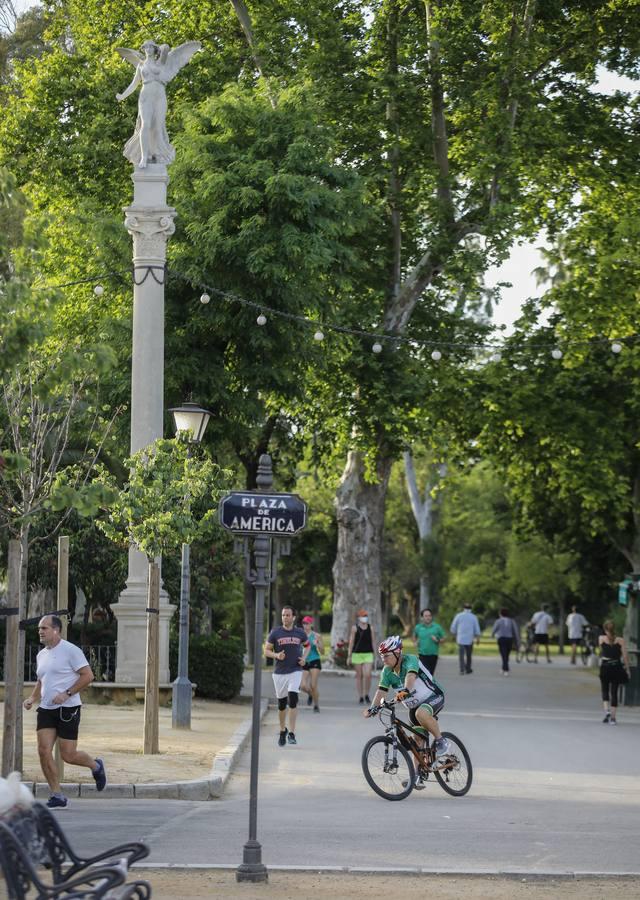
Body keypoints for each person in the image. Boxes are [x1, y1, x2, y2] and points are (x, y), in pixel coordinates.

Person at [22, 615, 107, 810]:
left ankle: (96, 766)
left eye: (44, 628)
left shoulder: (71, 650)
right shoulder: (41, 654)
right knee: (43, 751)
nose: (40, 631)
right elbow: (42, 680)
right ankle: (57, 794)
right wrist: (32, 698)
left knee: (68, 755)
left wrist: (67, 693)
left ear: (56, 630)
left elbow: (88, 676)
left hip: (68, 708)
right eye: (39, 629)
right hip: (46, 709)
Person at [364, 636, 449, 789]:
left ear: (397, 653)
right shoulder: (387, 671)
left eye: (386, 655)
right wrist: (373, 708)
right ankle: (416, 776)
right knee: (416, 741)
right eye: (381, 656)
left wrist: (405, 690)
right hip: (414, 706)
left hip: (434, 696)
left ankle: (441, 740)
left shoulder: (410, 660)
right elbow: (381, 691)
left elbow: (410, 677)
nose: (383, 659)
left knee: (420, 714)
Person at [116, 40, 201, 167]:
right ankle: (144, 157)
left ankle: (156, 154)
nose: (148, 49)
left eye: (151, 47)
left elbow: (166, 47)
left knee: (158, 126)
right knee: (145, 125)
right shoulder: (141, 65)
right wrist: (122, 95)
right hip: (146, 95)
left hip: (159, 96)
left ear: (155, 49)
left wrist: (160, 49)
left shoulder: (161, 62)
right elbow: (134, 84)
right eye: (145, 47)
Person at [264, 606, 310, 746]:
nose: (285, 617)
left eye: (288, 615)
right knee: (282, 705)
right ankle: (282, 729)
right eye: (283, 615)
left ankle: (292, 733)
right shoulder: (275, 632)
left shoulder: (300, 633)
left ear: (294, 617)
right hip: (279, 673)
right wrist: (276, 655)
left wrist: (304, 658)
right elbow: (266, 650)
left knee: (293, 698)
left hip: (295, 670)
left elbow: (308, 646)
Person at [598, 620, 630, 725]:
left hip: (605, 667)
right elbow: (625, 656)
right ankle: (613, 718)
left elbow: (601, 651)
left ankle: (607, 711)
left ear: (604, 629)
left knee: (604, 689)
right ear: (614, 628)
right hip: (616, 667)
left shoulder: (601, 639)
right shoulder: (621, 640)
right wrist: (627, 669)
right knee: (614, 692)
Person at [347, 610, 376, 704]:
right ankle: (360, 696)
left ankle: (366, 694)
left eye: (366, 615)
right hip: (357, 654)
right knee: (359, 676)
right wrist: (349, 656)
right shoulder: (354, 628)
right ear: (359, 617)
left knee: (367, 675)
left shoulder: (370, 627)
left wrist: (376, 654)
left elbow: (373, 641)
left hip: (368, 653)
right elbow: (351, 642)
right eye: (363, 616)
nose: (365, 617)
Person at [300, 615, 324, 713]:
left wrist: (317, 644)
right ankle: (311, 694)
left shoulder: (317, 636)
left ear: (311, 624)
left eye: (307, 623)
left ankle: (316, 705)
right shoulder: (300, 635)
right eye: (304, 623)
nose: (305, 625)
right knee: (302, 686)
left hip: (315, 660)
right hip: (304, 661)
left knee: (313, 685)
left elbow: (323, 652)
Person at [450, 602, 481, 674]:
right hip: (470, 639)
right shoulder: (473, 617)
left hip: (460, 639)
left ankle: (462, 669)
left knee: (461, 655)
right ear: (471, 608)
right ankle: (468, 668)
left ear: (463, 608)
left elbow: (453, 627)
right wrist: (478, 639)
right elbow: (477, 629)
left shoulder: (458, 616)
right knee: (469, 655)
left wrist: (453, 635)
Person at [413, 608, 446, 674]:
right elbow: (414, 636)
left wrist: (437, 640)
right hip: (422, 654)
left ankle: (429, 684)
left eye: (429, 616)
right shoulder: (418, 627)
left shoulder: (437, 627)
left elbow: (444, 638)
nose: (428, 618)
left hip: (433, 655)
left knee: (430, 674)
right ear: (422, 617)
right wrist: (415, 642)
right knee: (424, 674)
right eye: (426, 616)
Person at [491, 609, 520, 675]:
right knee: (506, 654)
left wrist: (492, 635)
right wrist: (517, 640)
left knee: (504, 654)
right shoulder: (511, 621)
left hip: (501, 639)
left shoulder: (498, 621)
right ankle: (505, 668)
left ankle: (505, 669)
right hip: (509, 639)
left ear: (500, 614)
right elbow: (515, 631)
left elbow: (494, 629)